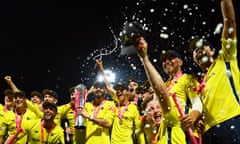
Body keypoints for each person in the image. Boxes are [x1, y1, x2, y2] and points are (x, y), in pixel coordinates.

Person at [188, 0, 240, 143]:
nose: (198, 50)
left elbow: (229, 21)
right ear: (195, 60)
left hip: (231, 121)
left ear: (212, 51)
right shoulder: (199, 84)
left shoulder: (226, 59)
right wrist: (199, 119)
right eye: (194, 51)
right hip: (208, 133)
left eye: (202, 46)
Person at [135, 38, 203, 144]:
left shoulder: (187, 78)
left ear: (180, 62)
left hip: (182, 130)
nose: (167, 62)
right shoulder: (164, 84)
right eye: (164, 61)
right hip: (164, 132)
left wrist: (192, 118)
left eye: (171, 58)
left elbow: (197, 102)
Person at [96, 59, 145, 144]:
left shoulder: (135, 107)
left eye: (121, 90)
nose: (118, 92)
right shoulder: (116, 103)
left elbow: (139, 131)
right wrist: (101, 68)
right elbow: (108, 86)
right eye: (117, 90)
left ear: (126, 91)